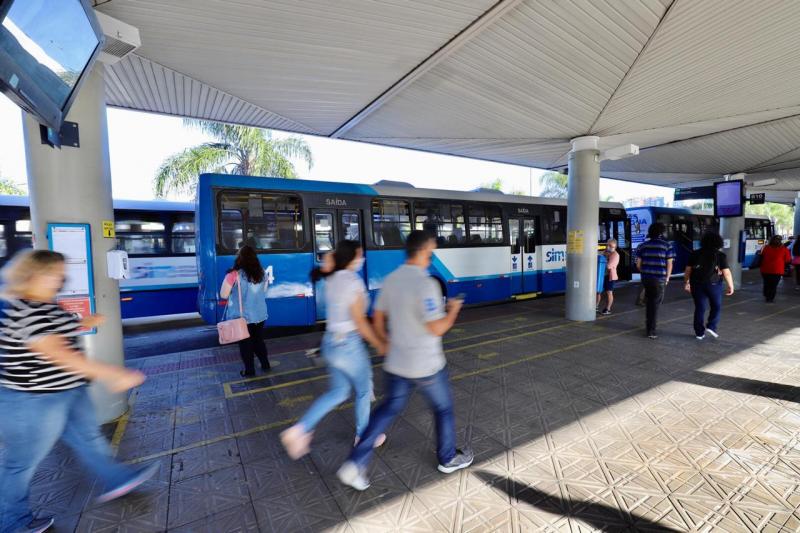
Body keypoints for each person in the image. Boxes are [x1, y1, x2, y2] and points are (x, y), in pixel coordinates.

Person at [0, 250, 158, 533]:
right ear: (32, 274)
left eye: (61, 273)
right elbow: (58, 354)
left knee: (88, 438)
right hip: (33, 400)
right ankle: (12, 523)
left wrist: (82, 323)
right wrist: (114, 374)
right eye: (54, 274)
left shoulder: (44, 303)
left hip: (67, 390)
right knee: (20, 464)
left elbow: (56, 330)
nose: (60, 279)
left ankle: (117, 480)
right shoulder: (24, 309)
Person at [336, 231, 473, 492]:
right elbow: (436, 329)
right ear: (423, 252)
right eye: (431, 251)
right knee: (443, 409)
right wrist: (453, 311)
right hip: (426, 365)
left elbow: (376, 317)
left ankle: (354, 463)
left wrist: (384, 343)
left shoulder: (391, 280)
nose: (432, 256)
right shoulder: (426, 284)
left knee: (386, 409)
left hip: (397, 363)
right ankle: (447, 458)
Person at [280, 241, 386, 459]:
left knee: (338, 392)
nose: (362, 259)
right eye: (360, 255)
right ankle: (363, 436)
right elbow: (360, 321)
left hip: (330, 342)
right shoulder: (352, 281)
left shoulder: (333, 279)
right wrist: (379, 342)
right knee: (364, 390)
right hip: (349, 344)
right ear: (352, 257)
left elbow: (328, 265)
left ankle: (299, 430)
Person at [220, 245, 270, 377]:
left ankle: (249, 370)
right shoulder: (262, 273)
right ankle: (265, 365)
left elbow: (223, 295)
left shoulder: (234, 274)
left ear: (240, 258)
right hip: (260, 314)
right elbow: (264, 291)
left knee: (245, 344)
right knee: (258, 341)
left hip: (242, 317)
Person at [683, 232, 734, 340]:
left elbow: (688, 270)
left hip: (696, 284)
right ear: (718, 242)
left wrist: (686, 282)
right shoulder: (720, 255)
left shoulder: (695, 253)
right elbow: (727, 272)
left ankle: (699, 333)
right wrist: (731, 285)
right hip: (714, 284)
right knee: (716, 306)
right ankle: (711, 325)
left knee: (700, 308)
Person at [635, 222, 675, 339]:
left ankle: (649, 327)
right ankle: (650, 331)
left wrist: (645, 271)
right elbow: (669, 264)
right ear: (661, 233)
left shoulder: (642, 246)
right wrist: (667, 277)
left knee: (650, 302)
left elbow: (638, 264)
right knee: (654, 304)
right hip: (659, 279)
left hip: (646, 278)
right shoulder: (667, 246)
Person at [759, 235, 791, 303]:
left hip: (765, 270)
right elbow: (787, 260)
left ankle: (767, 295)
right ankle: (770, 298)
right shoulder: (784, 249)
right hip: (777, 271)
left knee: (767, 283)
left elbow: (761, 257)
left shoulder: (766, 247)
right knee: (773, 285)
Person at [596, 239, 619, 315]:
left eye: (611, 246)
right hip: (602, 275)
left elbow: (609, 266)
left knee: (609, 292)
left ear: (615, 247)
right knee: (598, 291)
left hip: (610, 276)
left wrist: (603, 261)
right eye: (608, 245)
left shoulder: (615, 255)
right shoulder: (605, 252)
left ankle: (607, 309)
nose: (608, 247)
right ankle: (595, 306)